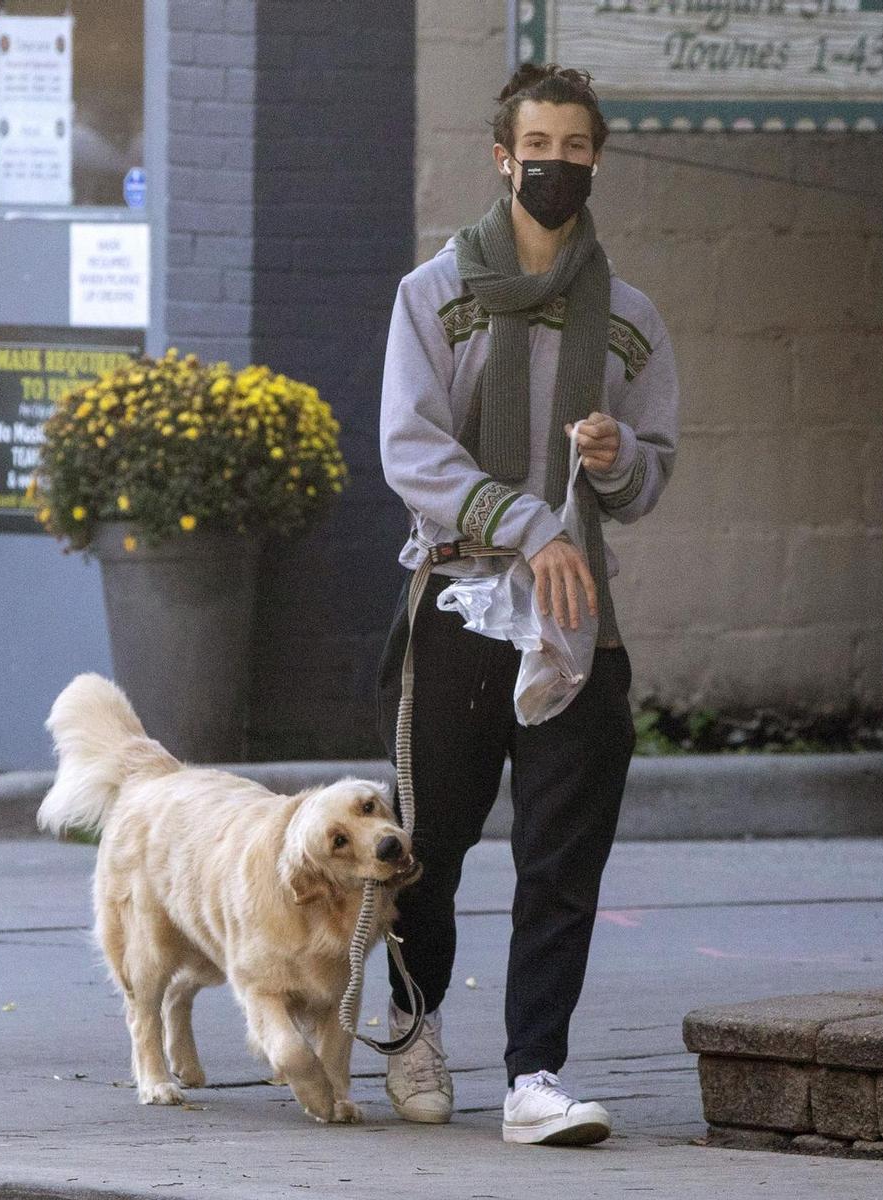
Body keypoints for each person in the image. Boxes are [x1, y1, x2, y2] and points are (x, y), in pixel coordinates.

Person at [376, 63, 679, 1146]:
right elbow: (410, 453)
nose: (555, 164)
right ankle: (413, 1032)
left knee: (563, 856)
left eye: (575, 146)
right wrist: (530, 518)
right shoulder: (434, 296)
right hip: (460, 605)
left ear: (597, 160)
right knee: (428, 845)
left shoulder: (630, 321)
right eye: (536, 145)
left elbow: (649, 479)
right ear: (503, 158)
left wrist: (611, 458)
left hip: (576, 623)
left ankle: (534, 1075)